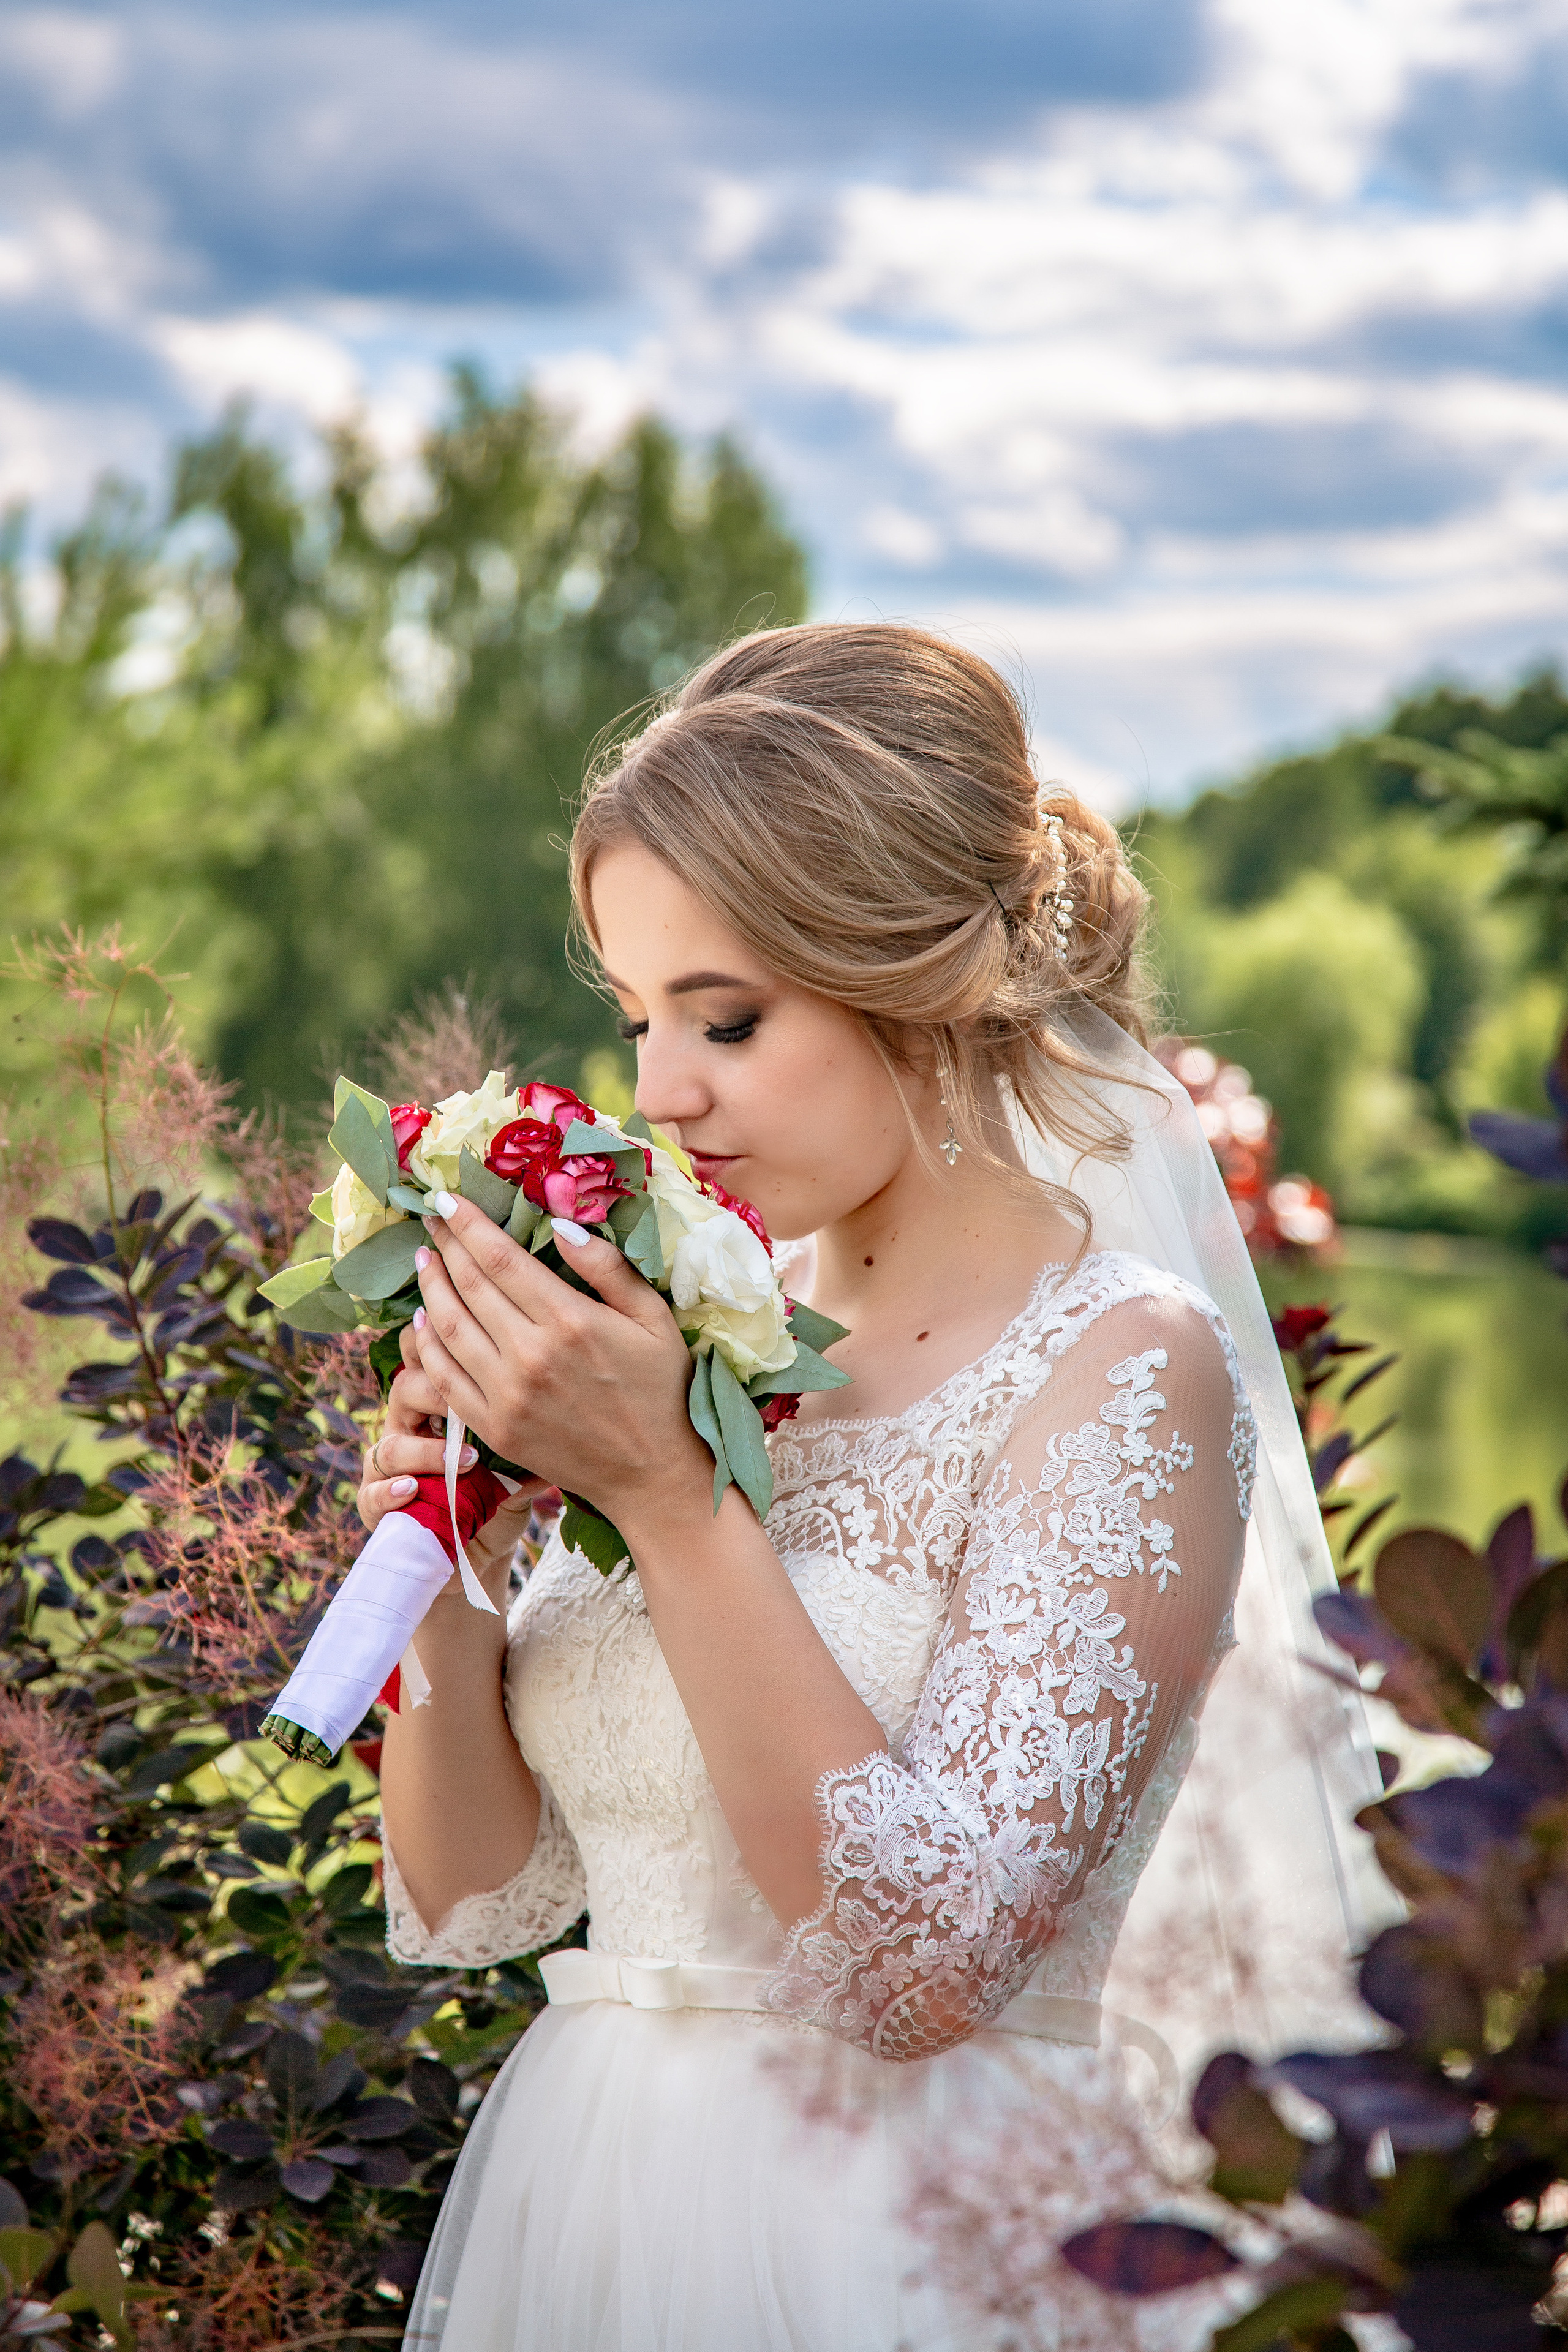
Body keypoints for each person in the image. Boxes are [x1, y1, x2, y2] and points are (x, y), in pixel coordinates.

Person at [358, 624, 1363, 2351]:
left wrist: (672, 1501)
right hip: (585, 2213)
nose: (659, 1093)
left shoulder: (1124, 1366)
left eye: (726, 1017)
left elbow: (918, 1969)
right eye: (639, 1018)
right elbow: (473, 1902)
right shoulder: (700, 1345)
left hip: (895, 2248)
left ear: (922, 974)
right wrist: (446, 1545)